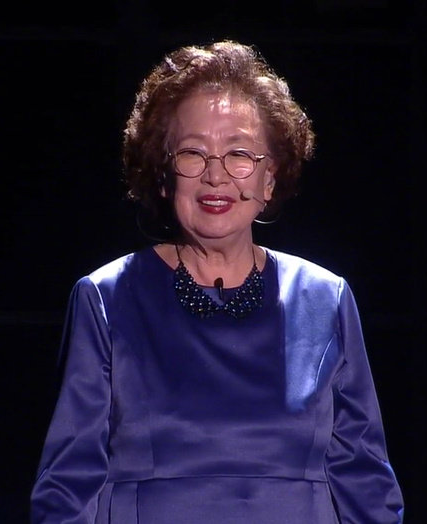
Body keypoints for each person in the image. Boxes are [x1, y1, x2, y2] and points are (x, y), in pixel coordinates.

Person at [30, 40, 404, 524]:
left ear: (270, 179)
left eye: (239, 154)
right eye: (193, 153)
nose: (216, 176)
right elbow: (67, 489)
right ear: (163, 175)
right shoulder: (106, 299)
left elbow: (366, 485)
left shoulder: (325, 299)